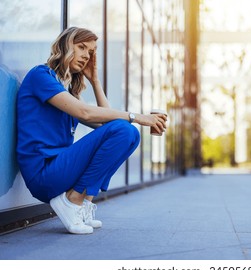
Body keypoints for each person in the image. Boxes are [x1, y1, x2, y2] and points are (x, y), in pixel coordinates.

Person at [16, 27, 167, 234]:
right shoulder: (40, 76)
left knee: (129, 134)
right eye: (81, 47)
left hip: (61, 169)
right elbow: (85, 113)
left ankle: (83, 202)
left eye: (91, 51)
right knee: (125, 129)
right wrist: (138, 117)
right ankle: (73, 200)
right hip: (43, 173)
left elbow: (109, 124)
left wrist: (95, 80)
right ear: (65, 46)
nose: (87, 55)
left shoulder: (67, 91)